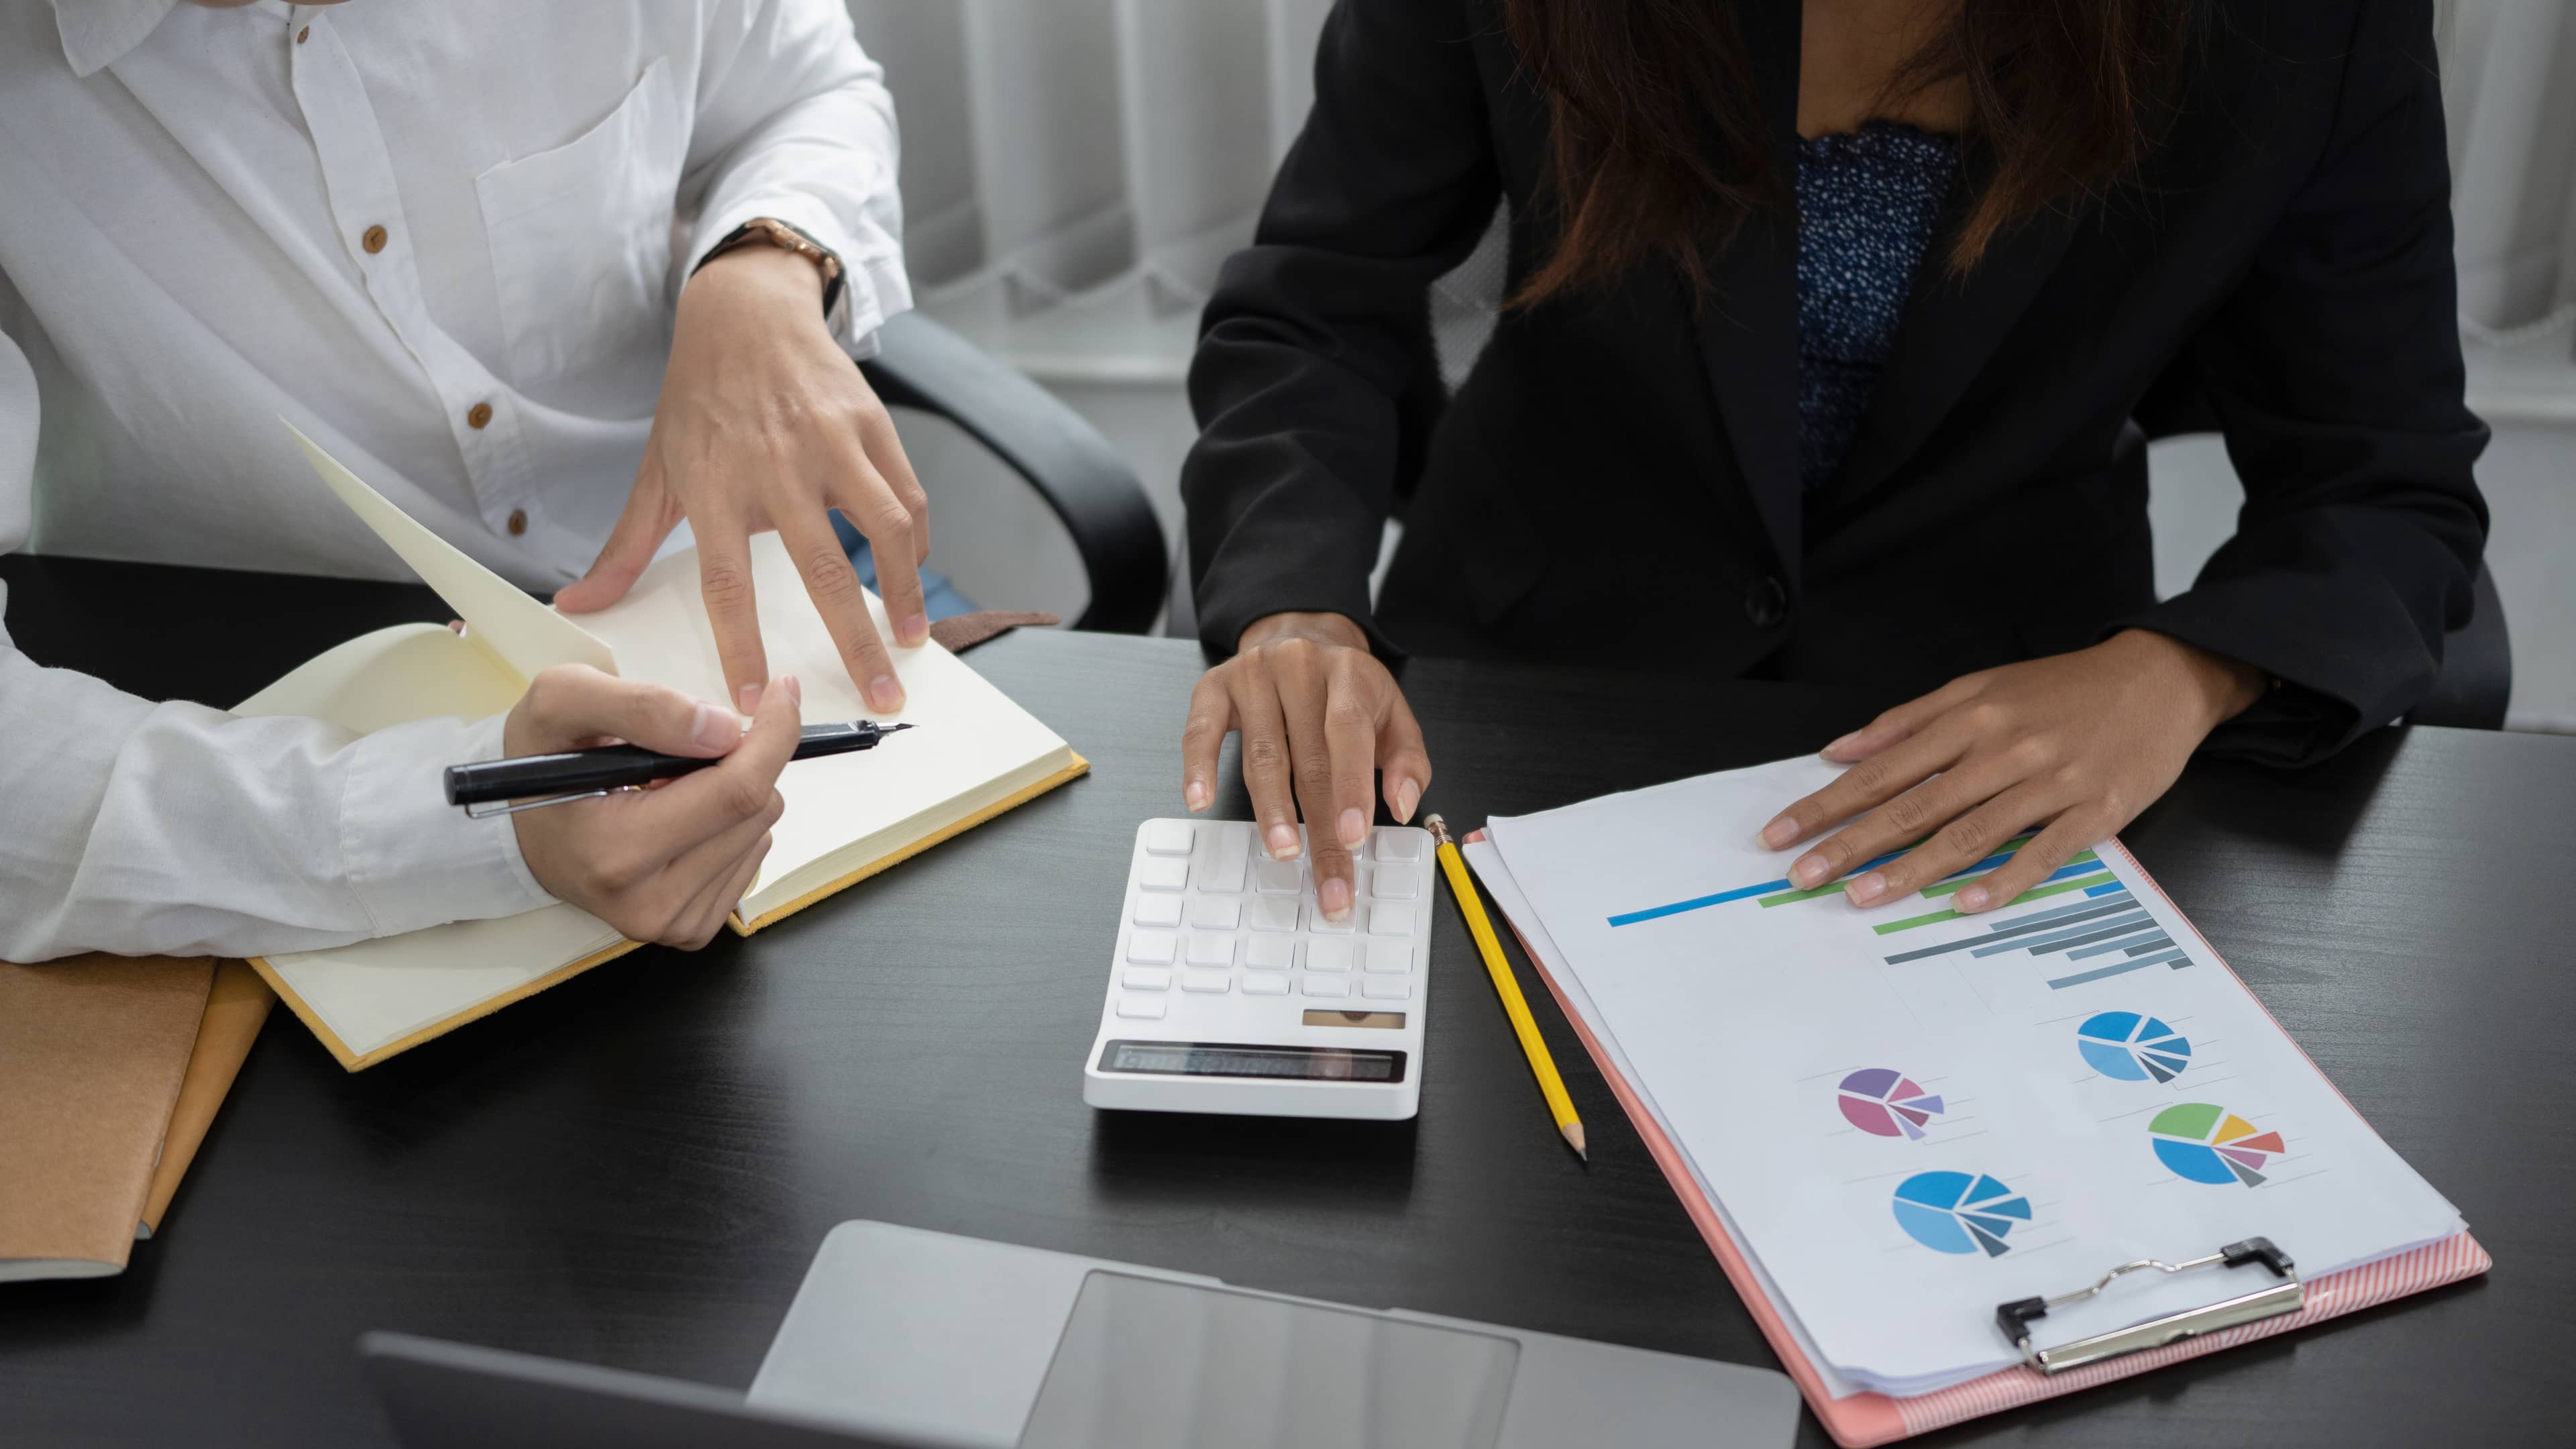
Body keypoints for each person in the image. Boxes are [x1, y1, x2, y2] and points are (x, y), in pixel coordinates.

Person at [1177, 0, 2489, 921]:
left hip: (1991, 745)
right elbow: (1312, 307)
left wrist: (2183, 673)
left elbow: (2387, 480)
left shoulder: (2308, 25)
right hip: (1524, 697)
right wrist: (1301, 606)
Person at [0, 0, 942, 959]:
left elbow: (809, 87)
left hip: (759, 566)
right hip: (271, 721)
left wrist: (767, 259)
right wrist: (459, 827)